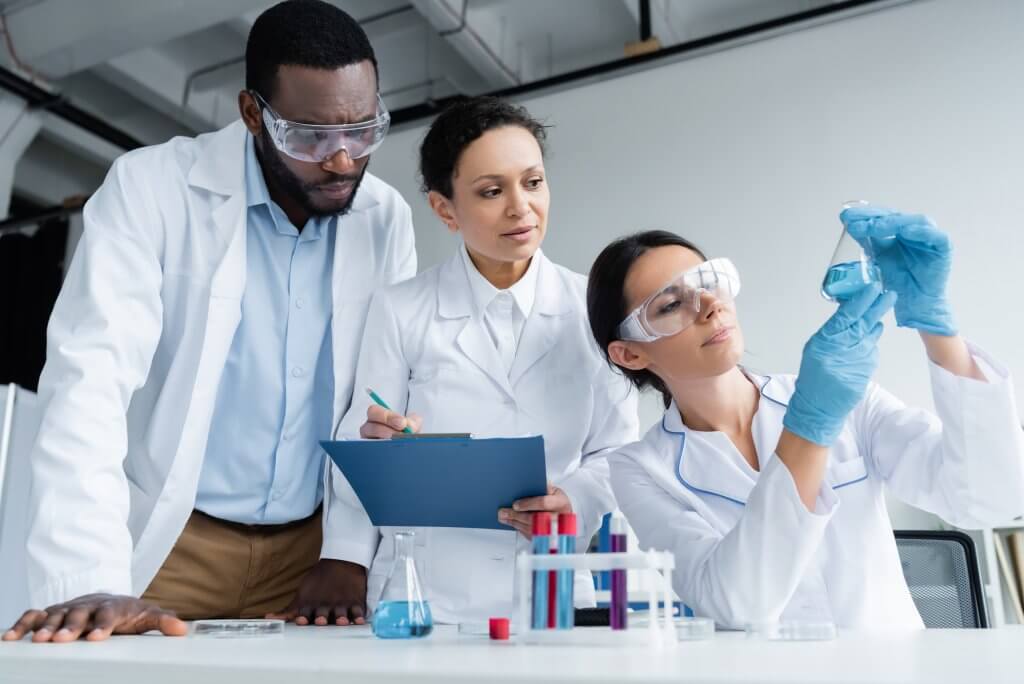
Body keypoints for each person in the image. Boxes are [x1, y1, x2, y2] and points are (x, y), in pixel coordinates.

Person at [4, 0, 414, 643]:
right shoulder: (151, 189)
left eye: (362, 130)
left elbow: (379, 397)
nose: (342, 160)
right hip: (172, 546)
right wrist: (85, 576)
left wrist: (350, 550)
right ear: (253, 113)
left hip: (313, 559)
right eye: (311, 136)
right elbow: (89, 383)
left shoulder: (385, 218)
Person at [585, 211, 1024, 629]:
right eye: (670, 305)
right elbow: (738, 603)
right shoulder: (640, 469)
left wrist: (937, 327)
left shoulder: (849, 397)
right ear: (630, 353)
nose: (709, 306)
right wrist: (812, 422)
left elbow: (988, 500)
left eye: (709, 283)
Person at [303, 96, 638, 623]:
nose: (521, 208)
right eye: (490, 191)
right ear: (445, 210)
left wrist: (574, 498)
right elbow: (359, 439)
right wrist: (380, 449)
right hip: (425, 597)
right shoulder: (401, 309)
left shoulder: (592, 308)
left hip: (551, 590)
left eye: (533, 182)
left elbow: (619, 451)